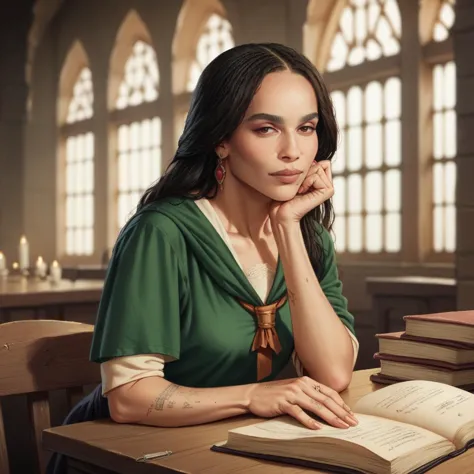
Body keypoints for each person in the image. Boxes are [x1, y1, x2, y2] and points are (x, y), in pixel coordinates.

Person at [47, 42, 359, 473]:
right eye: (266, 129)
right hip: (124, 453)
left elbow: (334, 375)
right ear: (221, 139)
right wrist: (252, 395)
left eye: (306, 128)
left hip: (231, 448)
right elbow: (129, 397)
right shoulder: (161, 232)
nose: (293, 151)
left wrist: (288, 228)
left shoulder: (308, 235)